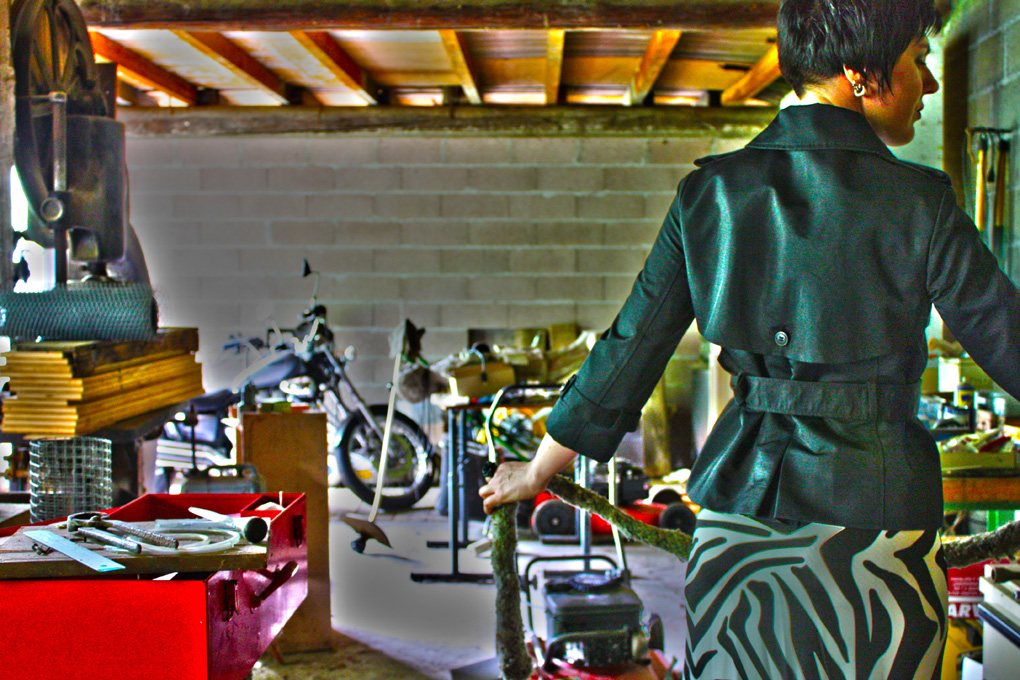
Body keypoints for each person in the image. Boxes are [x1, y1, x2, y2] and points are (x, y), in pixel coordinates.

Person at [479, 0, 1020, 678]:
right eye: (919, 59)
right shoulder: (921, 201)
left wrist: (537, 470)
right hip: (877, 528)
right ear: (861, 71)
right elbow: (1006, 336)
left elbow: (628, 350)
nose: (929, 83)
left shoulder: (708, 194)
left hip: (739, 519)